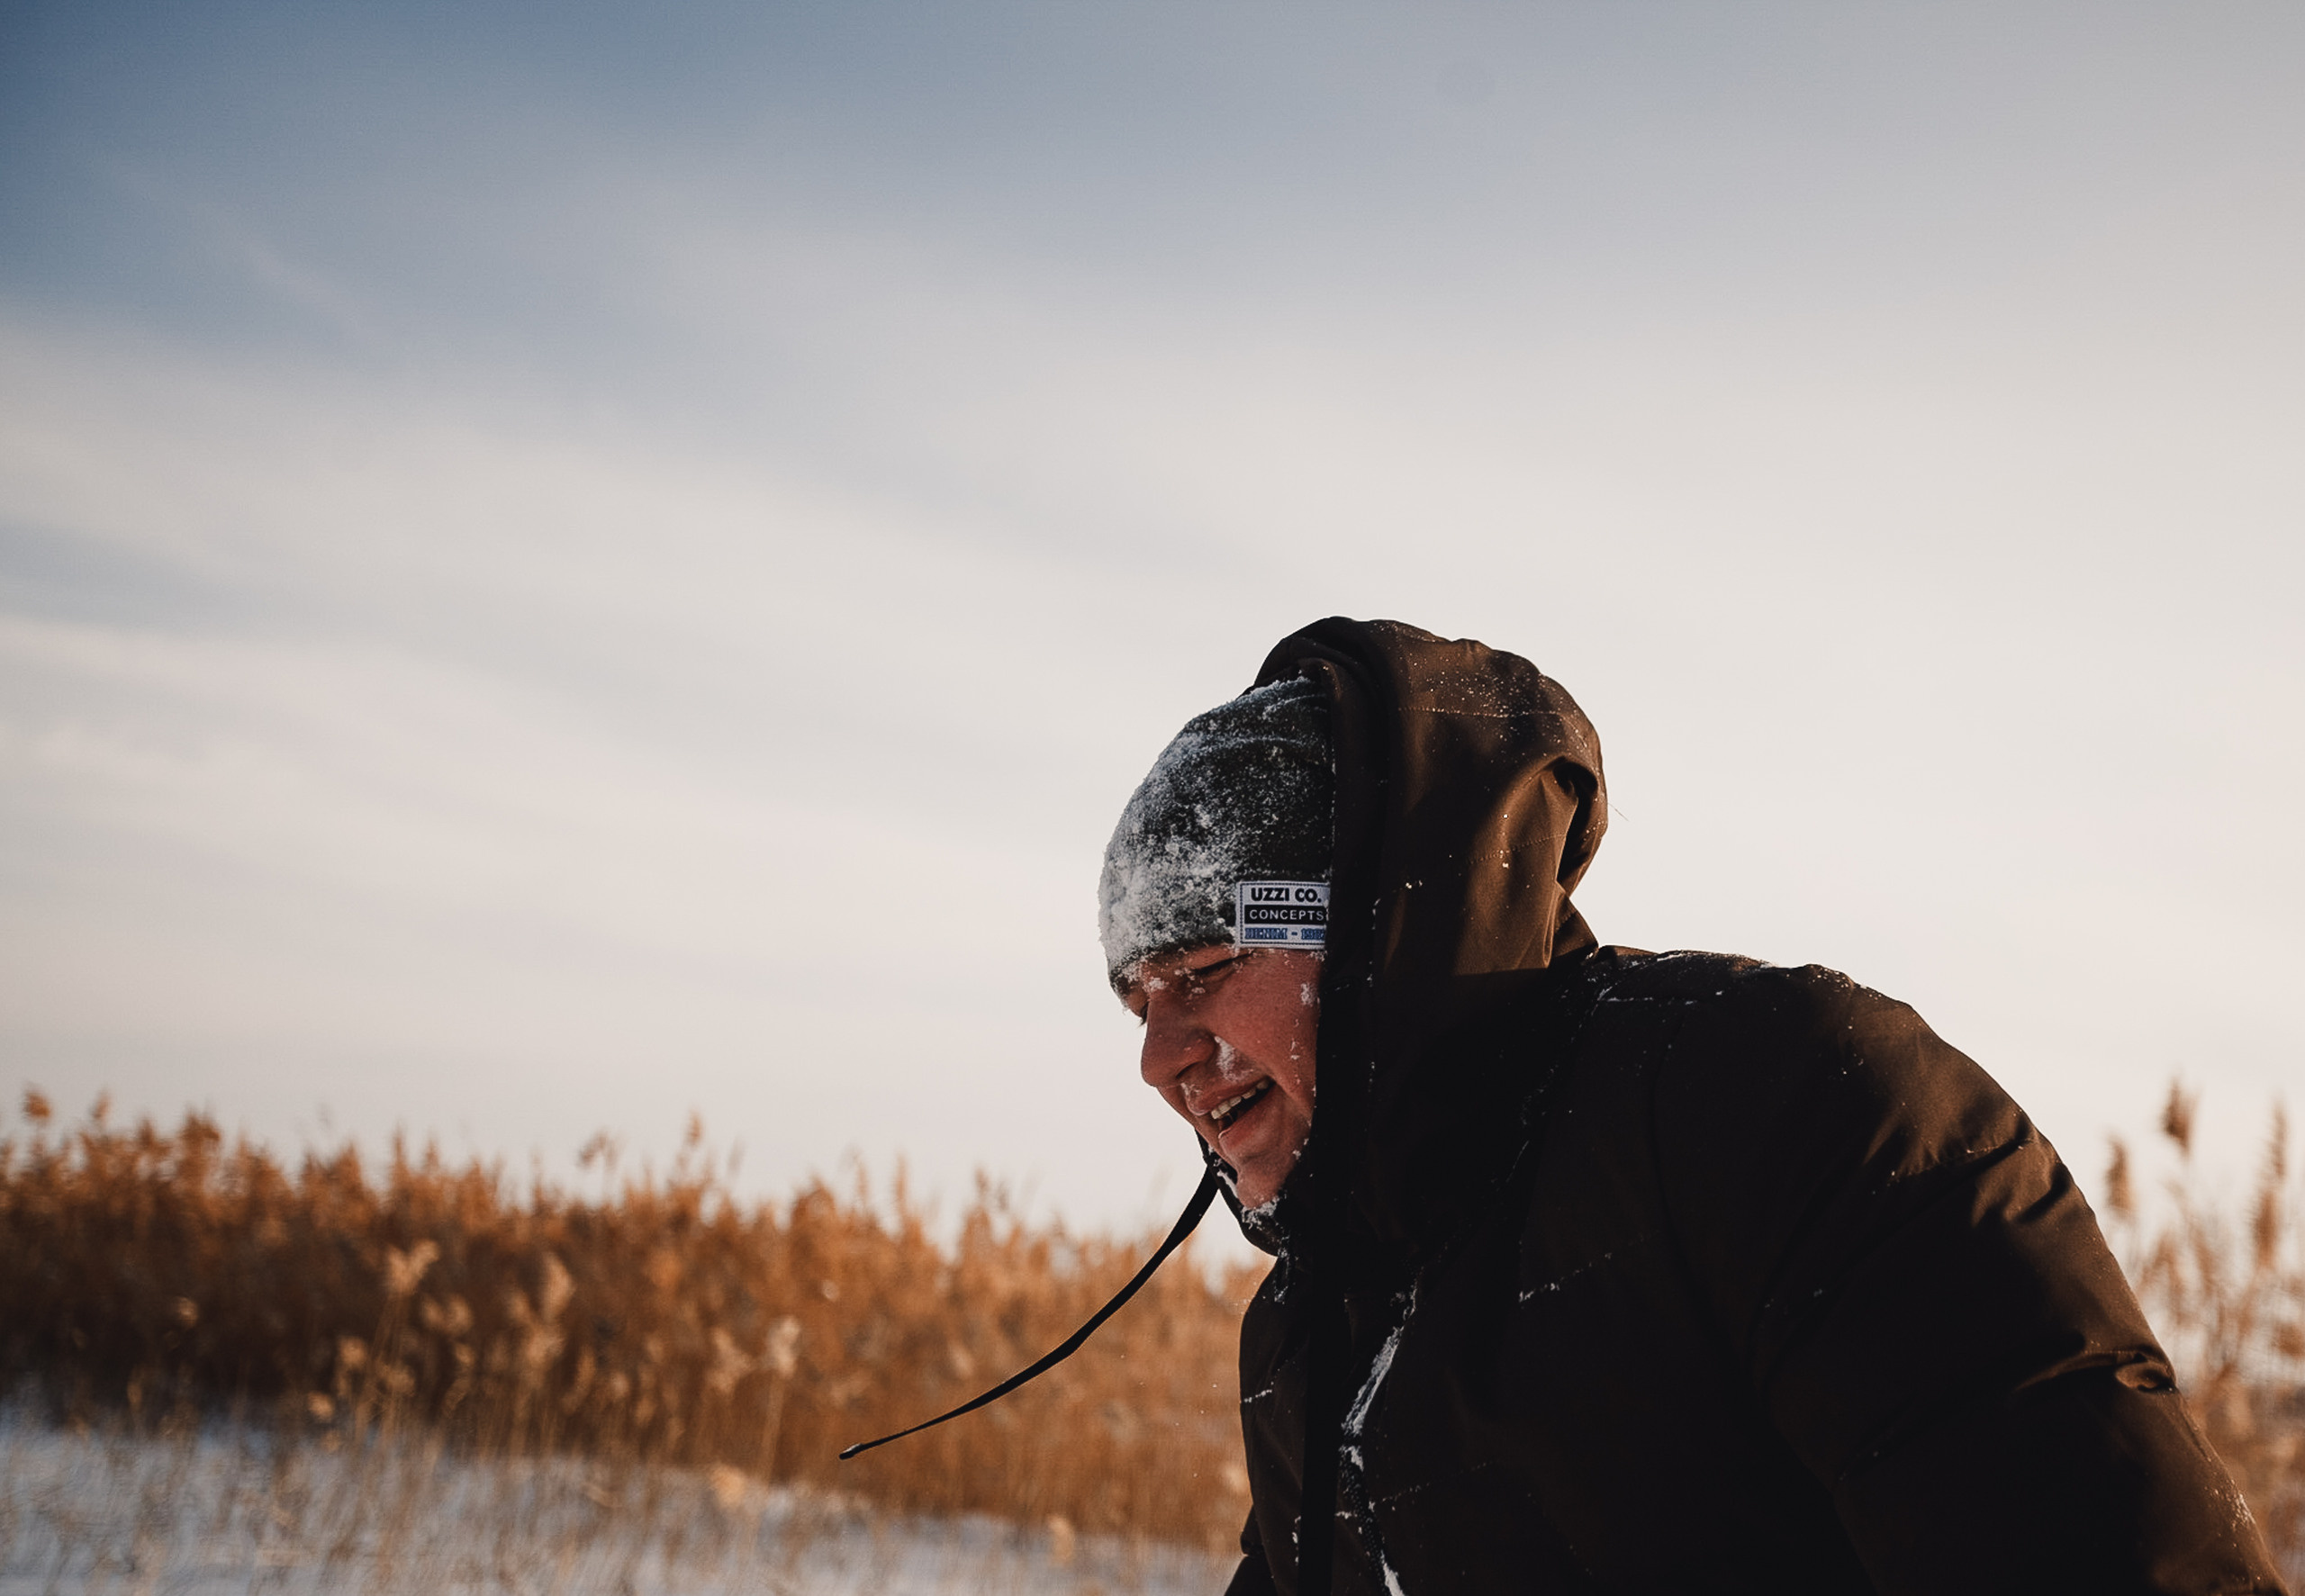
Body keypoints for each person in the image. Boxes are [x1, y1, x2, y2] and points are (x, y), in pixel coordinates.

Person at [1096, 618, 2284, 1596]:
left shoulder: (1770, 1102)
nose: (1159, 1058)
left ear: (1361, 929)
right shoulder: (1306, 1332)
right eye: (1134, 999)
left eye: (1200, 973)